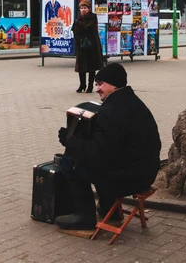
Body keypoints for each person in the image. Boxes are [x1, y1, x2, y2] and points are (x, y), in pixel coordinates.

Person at [55, 63, 161, 231]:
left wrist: (71, 141)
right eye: (97, 84)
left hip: (130, 178)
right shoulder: (132, 102)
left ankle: (84, 217)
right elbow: (112, 146)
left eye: (100, 84)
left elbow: (98, 155)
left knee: (70, 163)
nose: (97, 89)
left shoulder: (111, 111)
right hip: (146, 171)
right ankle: (110, 212)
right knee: (102, 163)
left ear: (113, 84)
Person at [72, 0, 103, 93]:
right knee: (81, 67)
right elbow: (76, 31)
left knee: (91, 67)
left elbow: (88, 28)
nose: (83, 10)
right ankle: (82, 85)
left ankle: (90, 86)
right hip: (81, 46)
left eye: (85, 7)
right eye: (81, 8)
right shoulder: (78, 18)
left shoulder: (93, 17)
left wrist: (79, 24)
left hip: (92, 46)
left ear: (89, 8)